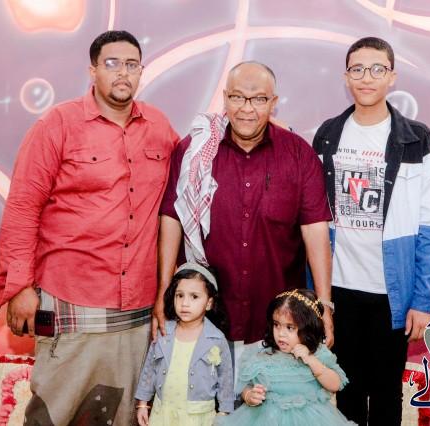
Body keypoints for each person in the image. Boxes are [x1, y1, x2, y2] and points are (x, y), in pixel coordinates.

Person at [0, 30, 180, 426]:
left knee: (123, 415)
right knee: (54, 414)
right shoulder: (58, 124)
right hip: (70, 300)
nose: (123, 73)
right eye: (112, 64)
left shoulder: (159, 126)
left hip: (135, 311)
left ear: (141, 71)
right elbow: (23, 207)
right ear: (93, 70)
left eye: (132, 65)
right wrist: (19, 286)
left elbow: (193, 174)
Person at [155, 62, 334, 374]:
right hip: (204, 320)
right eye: (238, 97)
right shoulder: (194, 151)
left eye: (259, 99)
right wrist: (163, 290)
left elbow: (316, 232)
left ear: (273, 102)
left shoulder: (298, 154)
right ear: (225, 98)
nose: (247, 109)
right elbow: (172, 218)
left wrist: (324, 305)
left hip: (278, 326)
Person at [312, 36, 430, 425]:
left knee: (387, 393)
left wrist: (424, 299)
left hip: (394, 292)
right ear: (346, 77)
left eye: (377, 69)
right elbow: (314, 218)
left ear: (392, 77)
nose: (366, 77)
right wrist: (319, 298)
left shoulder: (418, 139)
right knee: (346, 389)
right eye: (357, 69)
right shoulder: (328, 135)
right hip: (340, 288)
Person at [215, 288, 353, 425]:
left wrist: (311, 360)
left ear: (308, 328)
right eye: (276, 325)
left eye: (290, 327)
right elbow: (246, 386)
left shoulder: (317, 354)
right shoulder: (263, 355)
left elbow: (335, 385)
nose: (281, 334)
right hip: (265, 419)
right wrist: (249, 396)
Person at [135, 263, 234, 425]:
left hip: (197, 417)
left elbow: (225, 379)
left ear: (209, 303)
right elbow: (150, 369)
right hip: (162, 414)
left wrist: (224, 413)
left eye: (194, 297)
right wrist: (143, 404)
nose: (185, 303)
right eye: (180, 295)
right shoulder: (164, 332)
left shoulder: (216, 339)